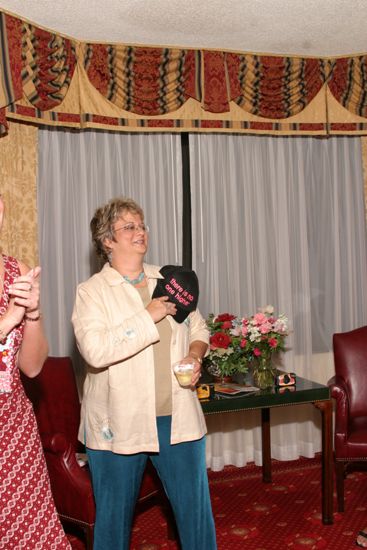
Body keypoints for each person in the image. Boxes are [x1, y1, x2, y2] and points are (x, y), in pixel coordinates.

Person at [72, 196, 217, 550]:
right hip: (117, 422)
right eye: (129, 226)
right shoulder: (92, 292)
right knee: (113, 519)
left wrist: (196, 355)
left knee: (196, 514)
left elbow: (198, 328)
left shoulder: (168, 279)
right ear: (107, 240)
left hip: (177, 417)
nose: (141, 232)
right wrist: (147, 315)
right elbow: (95, 352)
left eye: (142, 225)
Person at [0, 196, 70, 548]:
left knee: (30, 532)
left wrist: (32, 314)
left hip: (13, 428)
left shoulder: (16, 271)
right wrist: (6, 321)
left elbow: (32, 365)